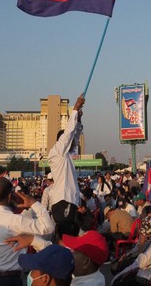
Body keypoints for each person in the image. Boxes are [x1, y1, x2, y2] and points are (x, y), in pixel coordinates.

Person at [48, 95, 85, 223]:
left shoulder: (66, 155)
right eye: (71, 142)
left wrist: (79, 120)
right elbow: (69, 132)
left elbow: (75, 134)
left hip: (70, 199)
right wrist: (76, 107)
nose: (75, 144)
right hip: (63, 199)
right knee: (65, 233)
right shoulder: (58, 151)